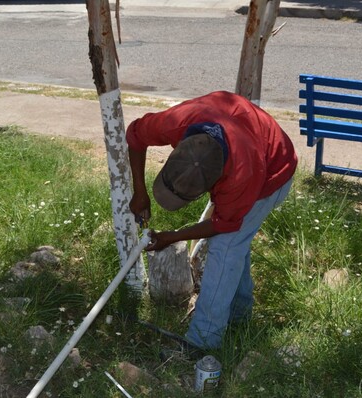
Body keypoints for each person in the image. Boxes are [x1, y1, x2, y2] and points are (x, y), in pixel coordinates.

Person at [126, 91, 297, 351]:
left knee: (226, 249)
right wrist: (139, 190)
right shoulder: (177, 122)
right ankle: (239, 315)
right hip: (245, 134)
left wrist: (172, 237)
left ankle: (202, 342)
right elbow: (136, 135)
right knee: (237, 244)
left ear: (216, 182)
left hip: (273, 172)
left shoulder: (241, 176)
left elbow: (224, 225)